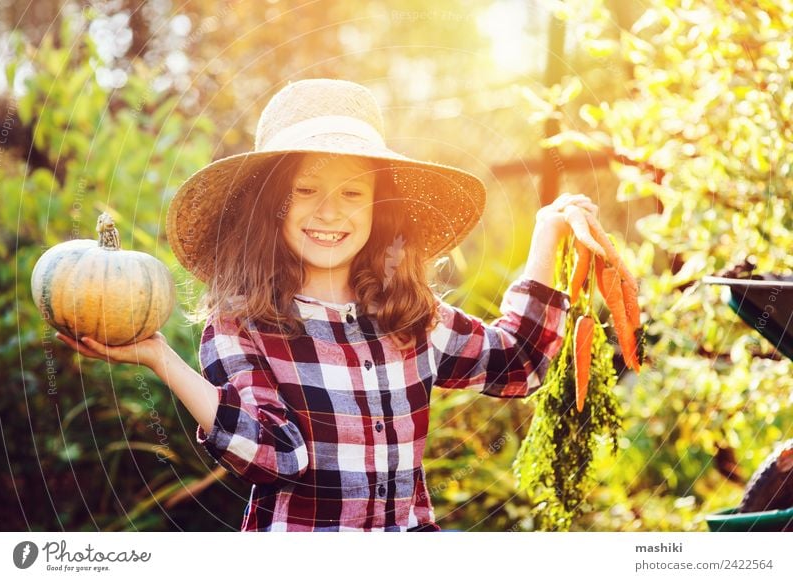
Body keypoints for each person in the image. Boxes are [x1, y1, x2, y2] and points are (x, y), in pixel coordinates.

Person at [57, 78, 602, 531]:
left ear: (377, 209)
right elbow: (274, 456)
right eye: (305, 189)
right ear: (273, 203)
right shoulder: (241, 329)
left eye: (351, 193)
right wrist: (162, 360)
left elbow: (520, 362)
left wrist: (546, 231)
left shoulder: (408, 316)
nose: (328, 212)